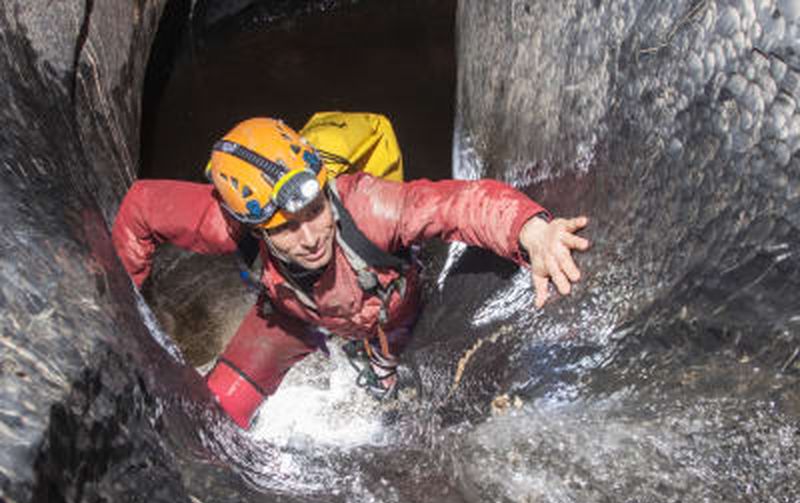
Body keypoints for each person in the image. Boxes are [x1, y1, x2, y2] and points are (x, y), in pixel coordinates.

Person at [112, 117, 590, 428]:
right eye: (285, 229)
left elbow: (457, 204)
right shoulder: (225, 223)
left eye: (315, 210)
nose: (311, 235)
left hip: (389, 309)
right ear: (253, 227)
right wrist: (125, 307)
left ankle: (380, 369)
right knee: (211, 418)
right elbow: (140, 209)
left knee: (400, 394)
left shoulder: (368, 208)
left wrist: (532, 230)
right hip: (290, 315)